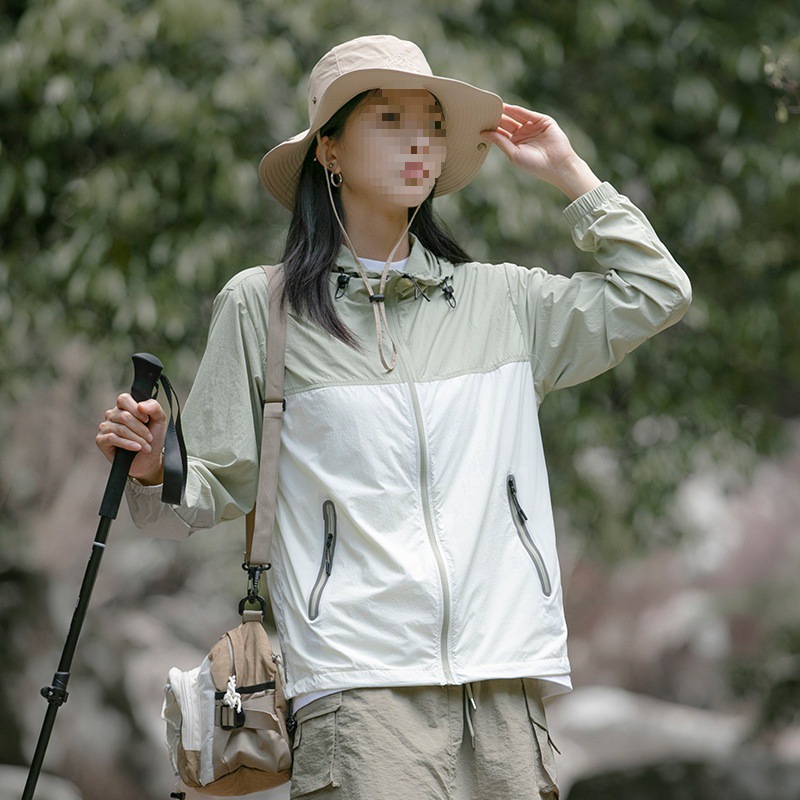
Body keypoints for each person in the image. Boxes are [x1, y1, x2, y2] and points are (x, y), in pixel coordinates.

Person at [96, 34, 691, 800]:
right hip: (357, 686)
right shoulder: (264, 307)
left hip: (505, 680)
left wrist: (570, 174)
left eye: (434, 126)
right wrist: (155, 467)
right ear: (329, 150)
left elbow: (656, 291)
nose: (420, 142)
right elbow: (208, 489)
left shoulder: (504, 303)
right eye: (389, 119)